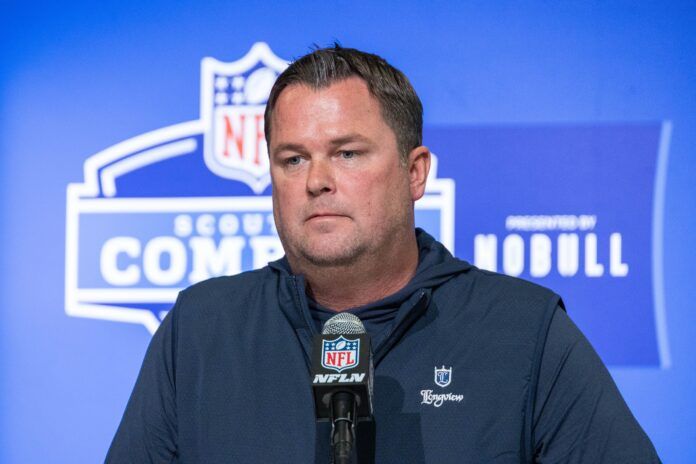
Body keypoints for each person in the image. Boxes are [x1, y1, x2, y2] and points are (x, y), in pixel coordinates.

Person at [106, 45, 661, 463]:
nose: (317, 181)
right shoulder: (201, 330)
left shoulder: (525, 332)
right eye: (292, 160)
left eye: (347, 153)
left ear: (415, 173)